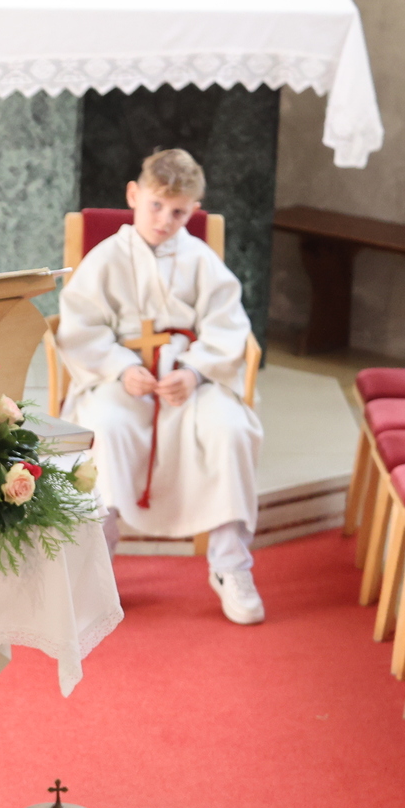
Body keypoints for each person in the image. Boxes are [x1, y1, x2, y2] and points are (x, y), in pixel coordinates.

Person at [56, 148, 265, 624]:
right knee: (105, 428)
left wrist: (194, 371)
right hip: (124, 380)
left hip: (187, 382)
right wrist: (120, 366)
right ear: (133, 195)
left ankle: (230, 563)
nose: (165, 221)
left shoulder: (202, 261)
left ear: (194, 210)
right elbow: (80, 326)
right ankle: (97, 568)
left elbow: (228, 328)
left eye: (178, 212)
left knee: (232, 428)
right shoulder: (106, 258)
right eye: (156, 206)